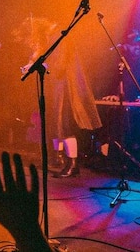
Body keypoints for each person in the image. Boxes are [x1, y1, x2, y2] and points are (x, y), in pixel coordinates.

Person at [15, 15, 101, 178]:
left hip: (66, 89)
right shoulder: (52, 38)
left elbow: (59, 66)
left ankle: (73, 163)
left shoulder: (59, 37)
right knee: (56, 124)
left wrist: (38, 65)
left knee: (65, 126)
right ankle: (59, 158)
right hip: (57, 88)